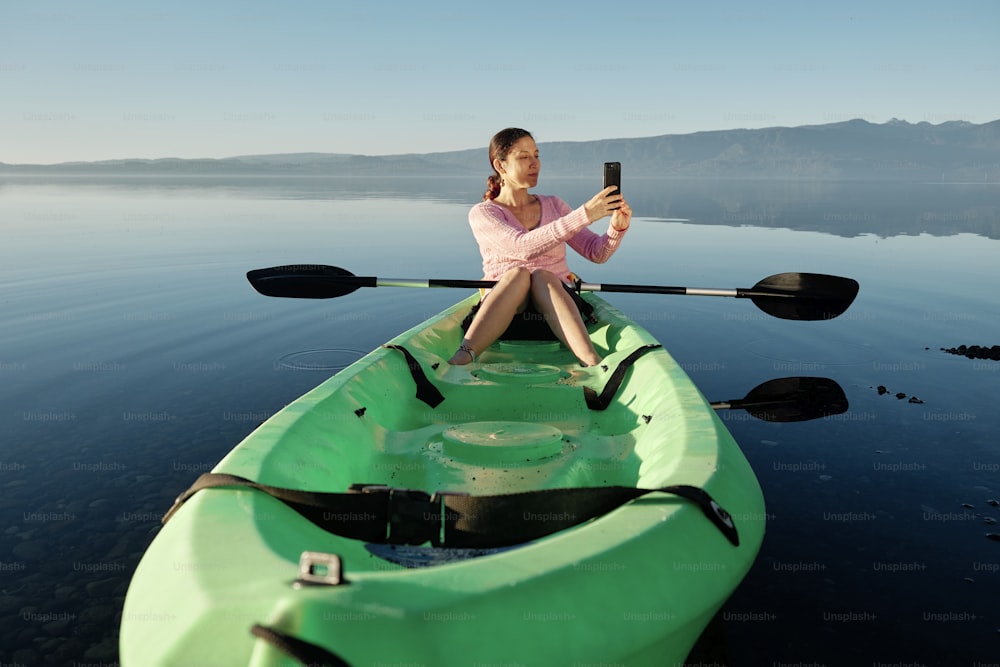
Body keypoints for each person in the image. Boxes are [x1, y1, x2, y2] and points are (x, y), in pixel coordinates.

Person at [448, 127, 632, 367]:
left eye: (537, 155)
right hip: (505, 317)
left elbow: (596, 253)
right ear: (500, 166)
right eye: (524, 157)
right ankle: (463, 357)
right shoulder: (484, 213)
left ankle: (591, 361)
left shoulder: (554, 205)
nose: (534, 163)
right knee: (519, 274)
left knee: (543, 276)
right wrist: (585, 214)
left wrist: (616, 229)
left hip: (556, 313)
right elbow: (521, 248)